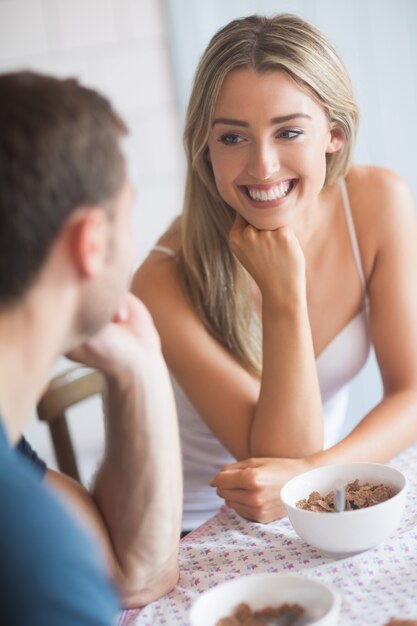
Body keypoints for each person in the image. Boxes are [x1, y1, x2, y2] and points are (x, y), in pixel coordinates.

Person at [132, 13, 417, 532]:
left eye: (288, 132)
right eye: (233, 139)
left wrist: (317, 471)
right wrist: (284, 293)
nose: (263, 167)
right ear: (205, 146)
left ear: (332, 133)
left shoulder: (377, 205)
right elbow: (277, 456)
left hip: (313, 500)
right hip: (193, 529)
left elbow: (411, 392)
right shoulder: (162, 280)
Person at [0, 71, 182, 624]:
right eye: (127, 217)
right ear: (92, 243)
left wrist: (140, 368)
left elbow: (135, 574)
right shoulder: (32, 548)